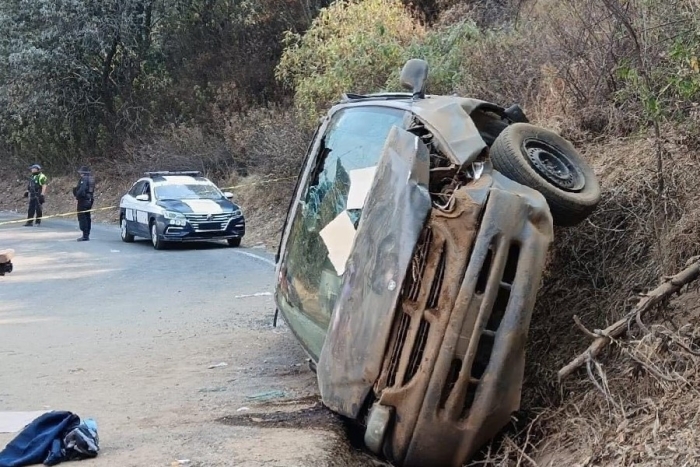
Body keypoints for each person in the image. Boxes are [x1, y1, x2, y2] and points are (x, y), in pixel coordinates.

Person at [72, 166, 95, 241]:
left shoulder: (84, 179)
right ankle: (87, 234)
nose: (80, 174)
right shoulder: (91, 179)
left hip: (83, 200)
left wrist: (77, 196)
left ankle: (85, 235)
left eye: (81, 173)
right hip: (90, 199)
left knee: (82, 217)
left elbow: (82, 190)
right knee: (87, 217)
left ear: (83, 173)